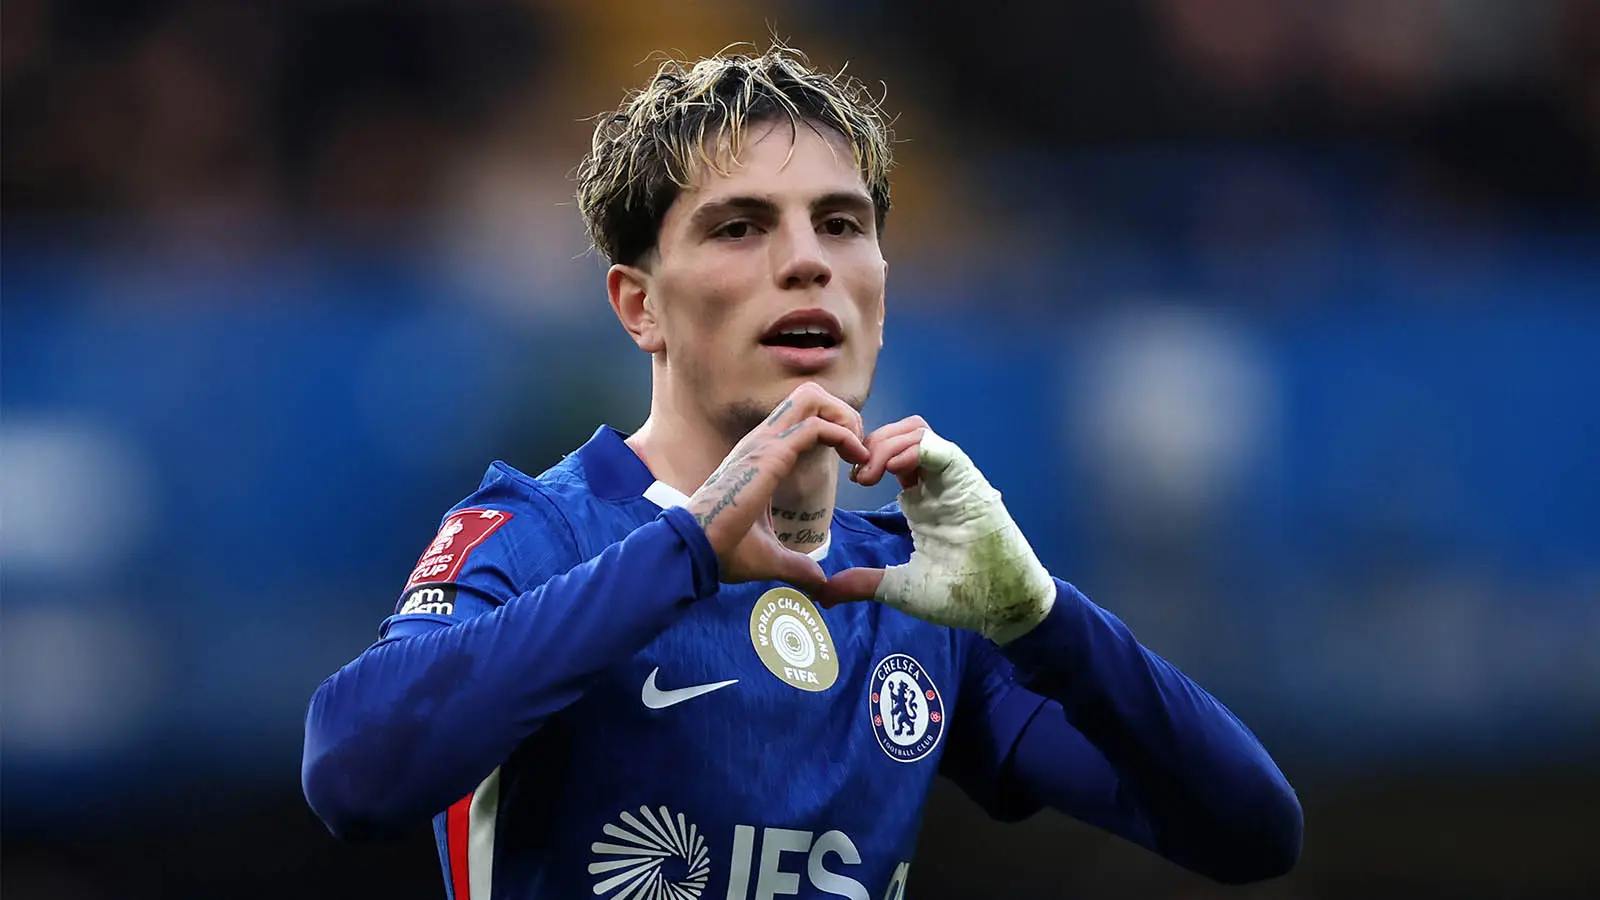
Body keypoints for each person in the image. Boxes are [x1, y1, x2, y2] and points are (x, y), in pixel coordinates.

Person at [301, 44, 1302, 900]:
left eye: (841, 223)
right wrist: (686, 551)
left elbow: (1248, 831)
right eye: (739, 227)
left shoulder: (911, 595)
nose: (806, 261)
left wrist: (1043, 617)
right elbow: (353, 772)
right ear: (637, 305)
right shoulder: (542, 533)